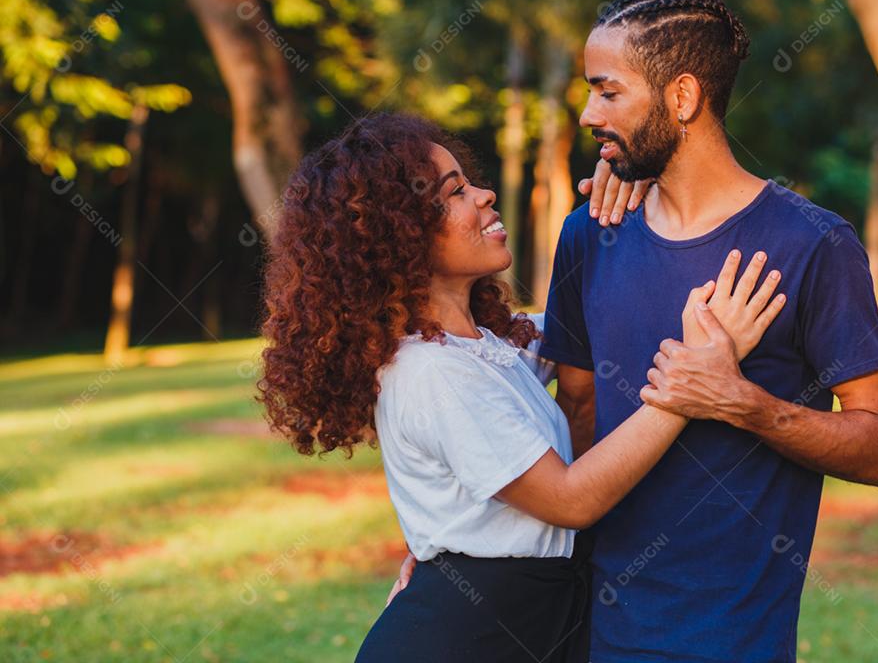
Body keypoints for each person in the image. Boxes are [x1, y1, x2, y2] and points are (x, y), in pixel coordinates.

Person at [391, 0, 878, 663]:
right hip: (586, 634)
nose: (586, 114)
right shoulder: (590, 234)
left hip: (732, 642)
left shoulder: (812, 245)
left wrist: (746, 404)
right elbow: (562, 417)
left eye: (607, 92)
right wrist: (441, 548)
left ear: (682, 98)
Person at [256, 112, 787, 662]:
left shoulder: (492, 345)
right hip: (466, 636)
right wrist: (686, 389)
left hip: (526, 620)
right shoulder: (430, 371)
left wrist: (643, 183)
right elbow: (571, 499)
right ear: (401, 236)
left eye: (469, 181)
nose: (484, 195)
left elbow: (601, 329)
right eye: (455, 193)